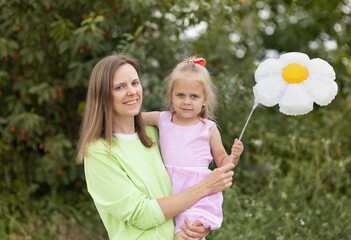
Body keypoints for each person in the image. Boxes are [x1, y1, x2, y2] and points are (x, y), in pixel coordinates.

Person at [76, 54, 236, 240]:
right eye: (120, 87)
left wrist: (199, 224)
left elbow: (181, 188)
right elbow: (142, 215)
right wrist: (206, 187)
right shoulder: (99, 152)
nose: (132, 92)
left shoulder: (153, 134)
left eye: (135, 83)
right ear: (102, 96)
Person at [142, 56, 244, 240]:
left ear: (205, 99)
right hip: (167, 190)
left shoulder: (208, 128)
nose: (186, 102)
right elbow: (134, 118)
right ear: (171, 96)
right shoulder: (162, 119)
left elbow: (223, 162)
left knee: (188, 235)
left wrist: (234, 157)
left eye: (194, 96)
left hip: (199, 194)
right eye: (180, 95)